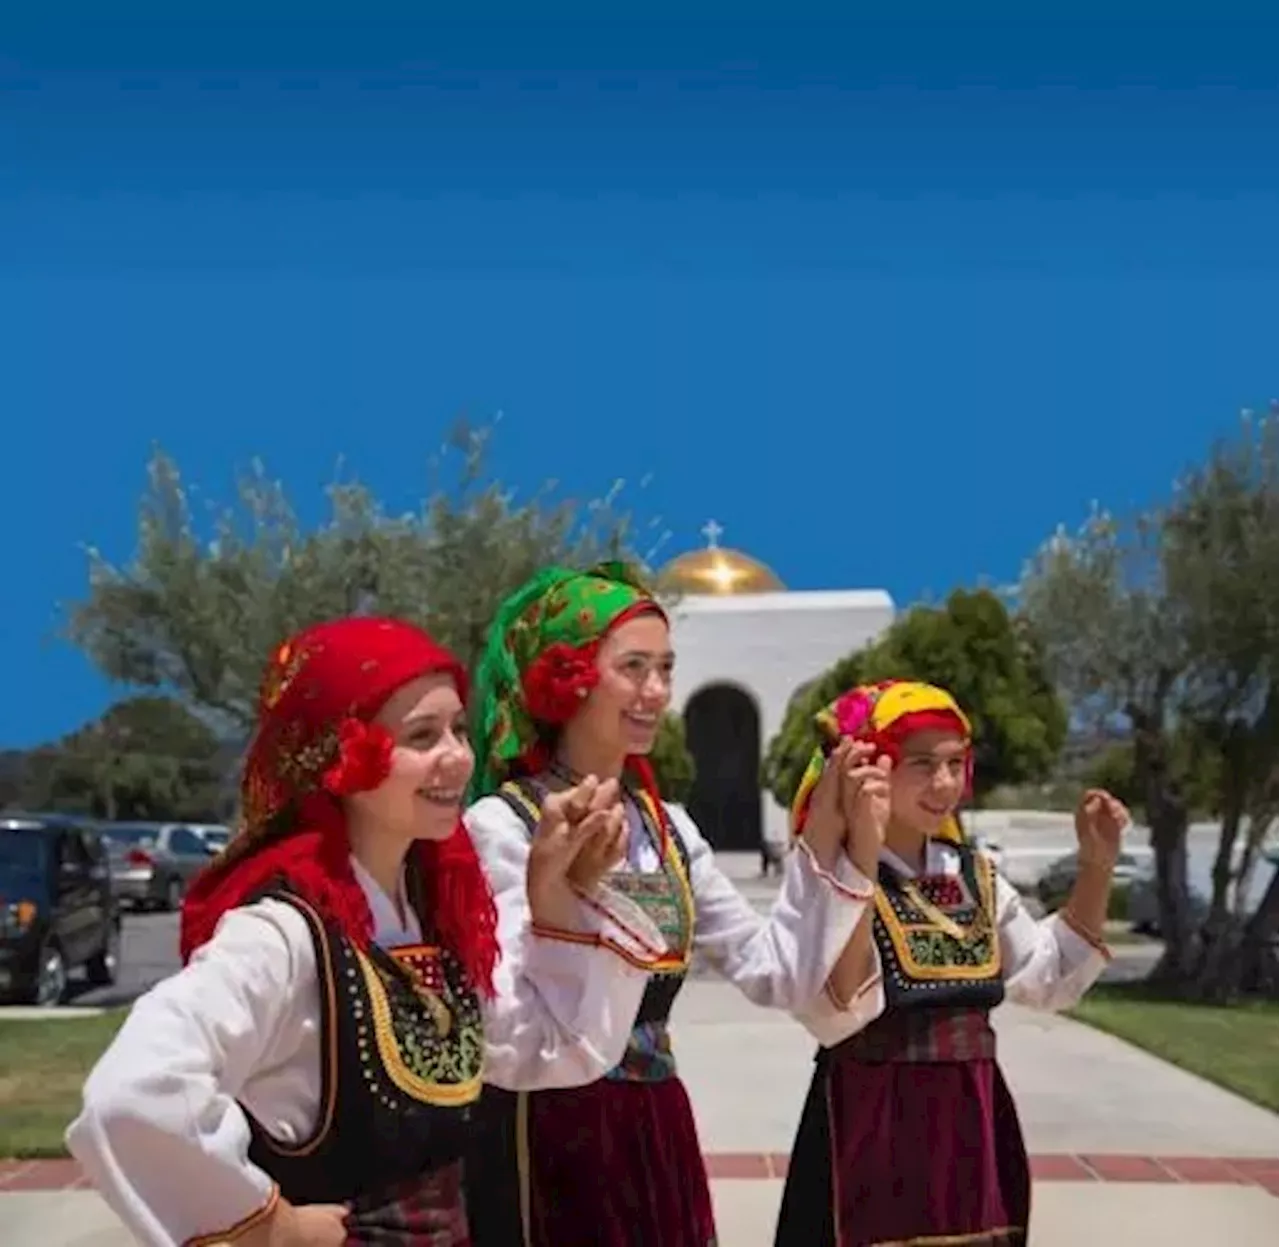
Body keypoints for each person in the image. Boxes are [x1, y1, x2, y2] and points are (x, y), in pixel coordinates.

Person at [66, 616, 666, 1247]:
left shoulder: (437, 918)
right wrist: (274, 1226)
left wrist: (559, 896)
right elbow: (131, 1096)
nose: (458, 757)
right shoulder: (282, 936)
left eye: (460, 729)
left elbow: (546, 1048)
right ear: (340, 758)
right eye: (422, 735)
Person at [461, 561, 878, 1247]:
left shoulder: (670, 829)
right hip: (548, 1133)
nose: (656, 691)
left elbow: (773, 971)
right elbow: (507, 1022)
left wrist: (831, 838)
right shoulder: (505, 825)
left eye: (666, 668)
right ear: (567, 678)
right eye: (633, 667)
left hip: (655, 1127)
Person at [774, 679, 1128, 1247]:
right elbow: (835, 1011)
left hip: (971, 1127)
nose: (944, 784)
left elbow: (1048, 979)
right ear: (871, 766)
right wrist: (861, 848)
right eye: (921, 764)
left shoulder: (976, 876)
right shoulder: (826, 875)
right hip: (869, 1125)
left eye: (954, 764)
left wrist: (1096, 868)